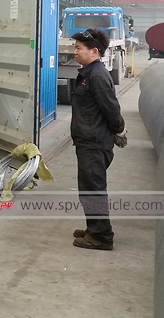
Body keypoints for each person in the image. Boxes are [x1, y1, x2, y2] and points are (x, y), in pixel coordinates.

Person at [69, 28, 127, 251]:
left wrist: (119, 131)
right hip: (87, 141)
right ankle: (94, 228)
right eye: (74, 47)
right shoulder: (88, 73)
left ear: (94, 51)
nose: (75, 52)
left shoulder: (97, 76)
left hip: (95, 143)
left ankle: (101, 236)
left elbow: (111, 108)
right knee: (88, 189)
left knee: (93, 189)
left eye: (79, 48)